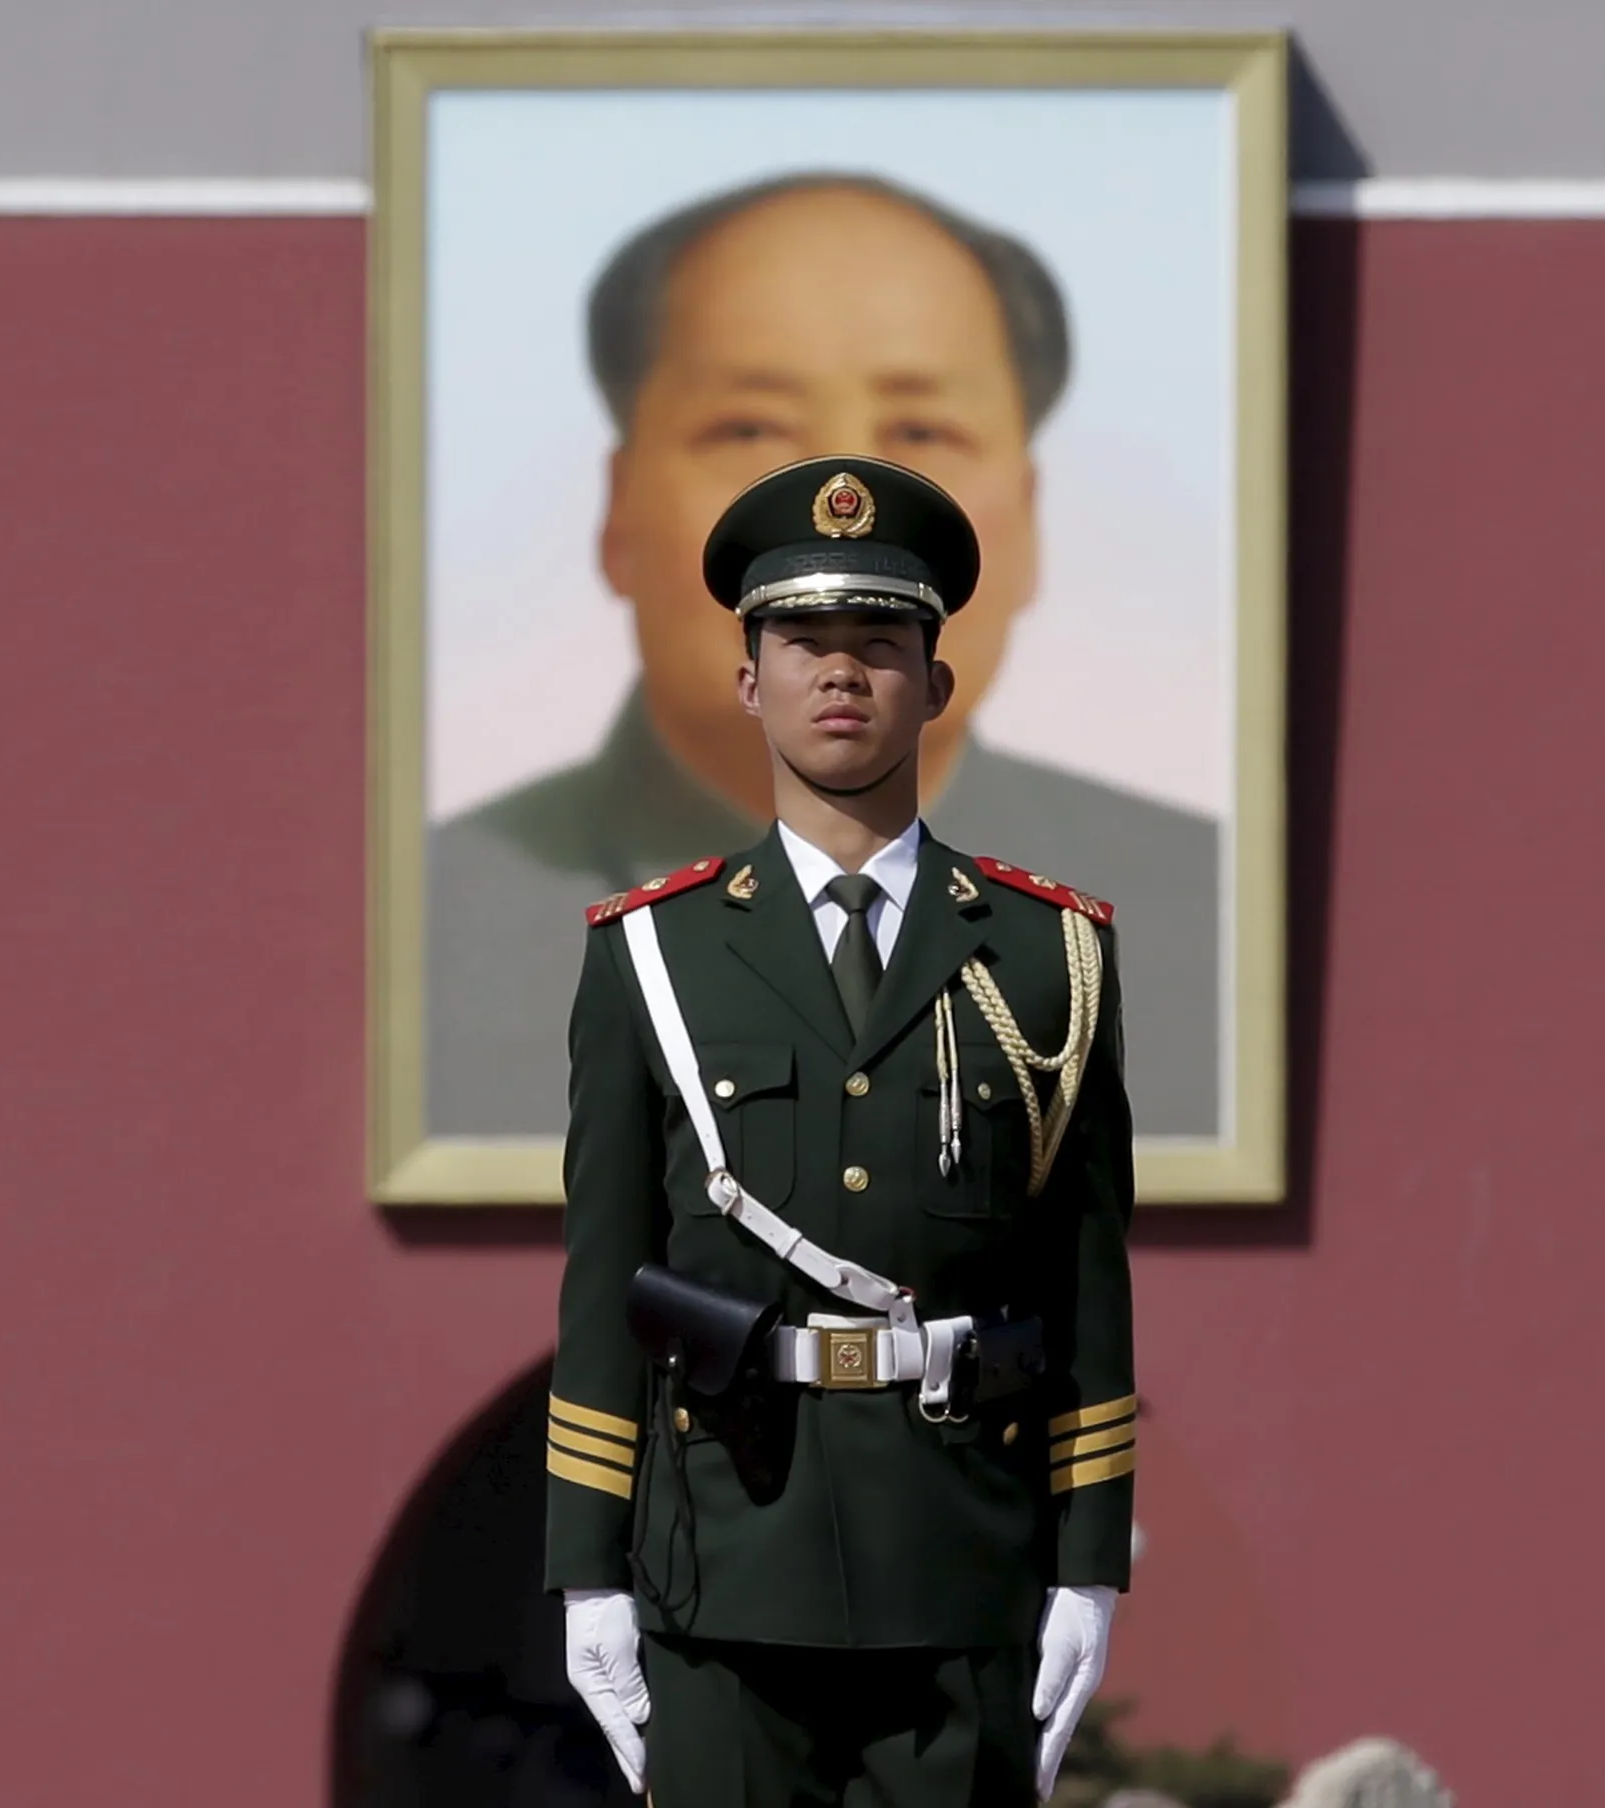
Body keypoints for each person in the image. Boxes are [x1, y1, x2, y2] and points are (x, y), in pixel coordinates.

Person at [546, 456, 1135, 1806]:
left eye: (879, 641)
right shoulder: (651, 953)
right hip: (722, 1566)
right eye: (805, 641)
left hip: (965, 1563)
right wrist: (586, 1571)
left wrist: (1089, 1563)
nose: (842, 673)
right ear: (749, 679)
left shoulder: (1052, 954)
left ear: (937, 681)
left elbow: (1086, 1277)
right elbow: (604, 1279)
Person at [425, 171, 1218, 1143]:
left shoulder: (1172, 919)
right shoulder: (449, 919)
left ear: (1029, 514)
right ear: (619, 508)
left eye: (923, 429)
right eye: (749, 426)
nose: (844, 494)